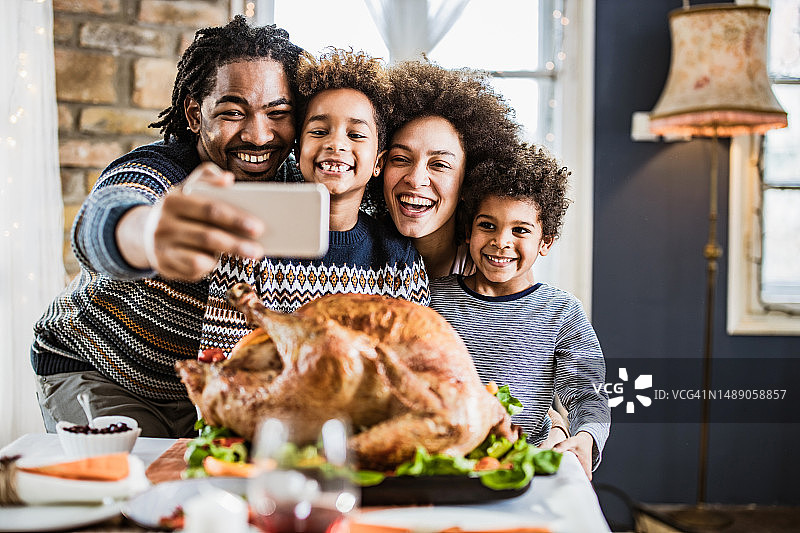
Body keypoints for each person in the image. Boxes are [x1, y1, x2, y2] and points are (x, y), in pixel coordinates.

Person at [31, 16, 304, 438]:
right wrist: (150, 233)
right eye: (233, 112)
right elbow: (103, 219)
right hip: (102, 374)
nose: (258, 135)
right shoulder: (159, 169)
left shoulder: (299, 183)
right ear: (195, 114)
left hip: (205, 392)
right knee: (134, 493)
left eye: (278, 113)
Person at [200, 49, 430, 356]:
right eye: (319, 131)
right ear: (298, 149)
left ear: (379, 162)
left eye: (356, 134)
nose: (336, 143)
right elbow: (223, 363)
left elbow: (414, 363)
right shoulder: (249, 244)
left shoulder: (398, 259)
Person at [429, 143, 610, 479]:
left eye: (521, 230)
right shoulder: (433, 298)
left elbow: (588, 394)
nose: (501, 241)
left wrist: (584, 438)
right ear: (468, 232)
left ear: (546, 242)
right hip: (444, 463)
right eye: (487, 225)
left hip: (522, 467)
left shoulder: (561, 311)